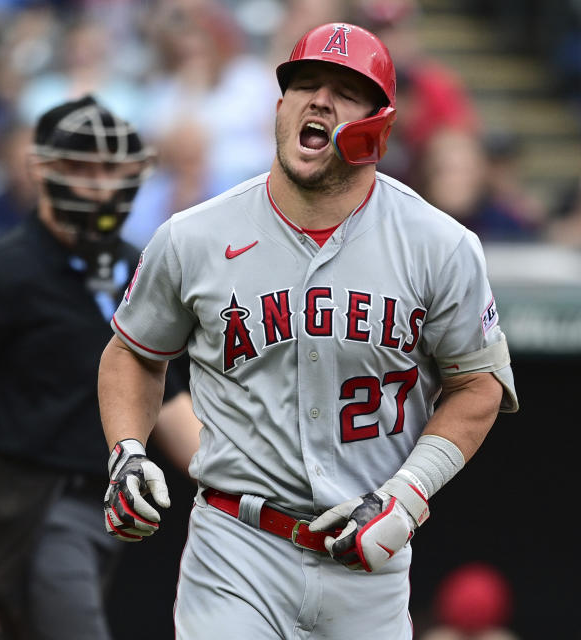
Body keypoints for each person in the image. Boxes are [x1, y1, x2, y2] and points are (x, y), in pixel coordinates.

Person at [98, 22, 519, 640]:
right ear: (280, 107)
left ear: (381, 123)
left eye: (345, 91)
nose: (319, 100)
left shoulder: (441, 245)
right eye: (304, 84)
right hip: (235, 545)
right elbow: (134, 354)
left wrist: (407, 494)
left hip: (366, 555)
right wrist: (127, 451)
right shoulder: (193, 236)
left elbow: (477, 385)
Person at [0, 95, 200, 640]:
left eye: (114, 169)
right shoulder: (0, 273)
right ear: (43, 170)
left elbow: (168, 398)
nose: (101, 186)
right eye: (84, 168)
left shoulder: (138, 265)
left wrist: (255, 488)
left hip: (107, 507)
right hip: (17, 505)